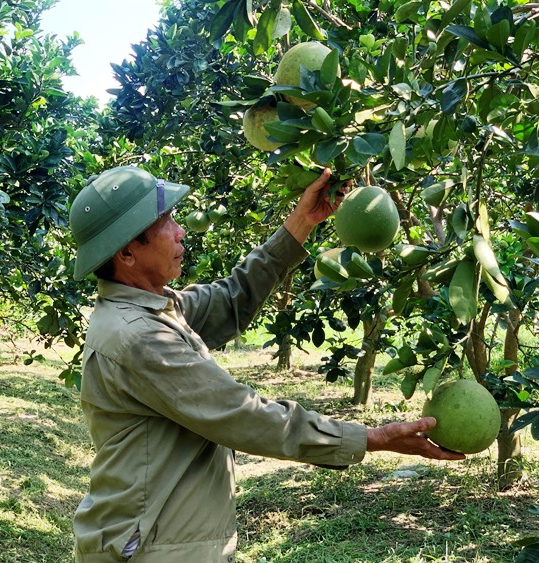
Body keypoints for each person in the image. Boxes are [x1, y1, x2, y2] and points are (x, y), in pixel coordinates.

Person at [68, 165, 465, 562]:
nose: (180, 230)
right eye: (165, 221)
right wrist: (369, 438)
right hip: (152, 549)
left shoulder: (154, 309)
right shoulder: (138, 337)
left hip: (159, 538)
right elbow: (243, 416)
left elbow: (232, 297)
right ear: (126, 253)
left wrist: (302, 221)